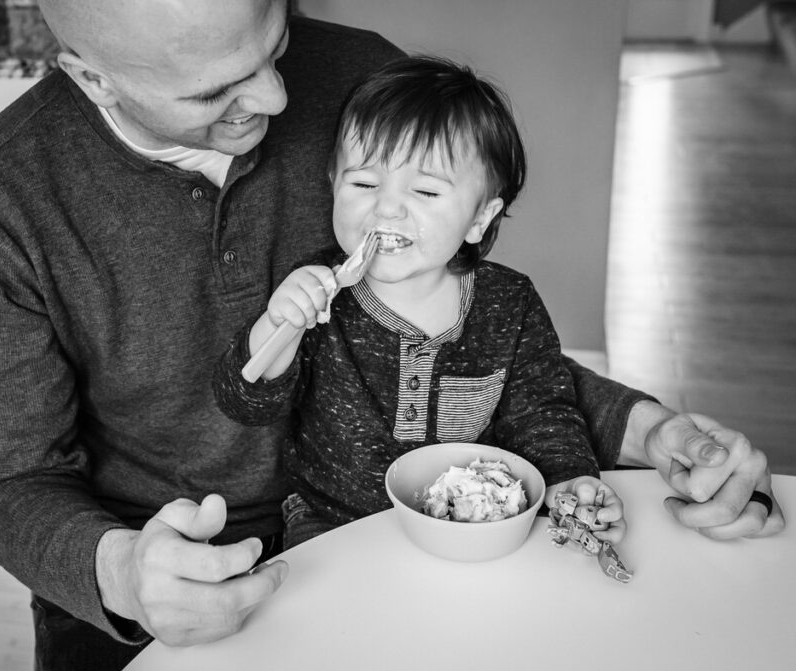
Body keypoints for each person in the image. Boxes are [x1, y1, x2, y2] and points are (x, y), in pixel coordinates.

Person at [0, 1, 784, 671]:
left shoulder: (363, 78)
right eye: (215, 92)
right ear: (94, 78)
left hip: (394, 535)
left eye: (276, 42)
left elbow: (483, 347)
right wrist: (121, 574)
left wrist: (659, 434)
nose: (273, 98)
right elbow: (13, 484)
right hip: (152, 569)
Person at [213, 55, 626, 548]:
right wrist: (279, 324)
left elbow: (542, 413)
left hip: (466, 525)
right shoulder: (318, 296)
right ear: (332, 185)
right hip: (331, 522)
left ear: (479, 218)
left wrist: (568, 482)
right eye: (363, 183)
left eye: (426, 191)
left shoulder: (509, 302)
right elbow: (245, 403)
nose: (386, 207)